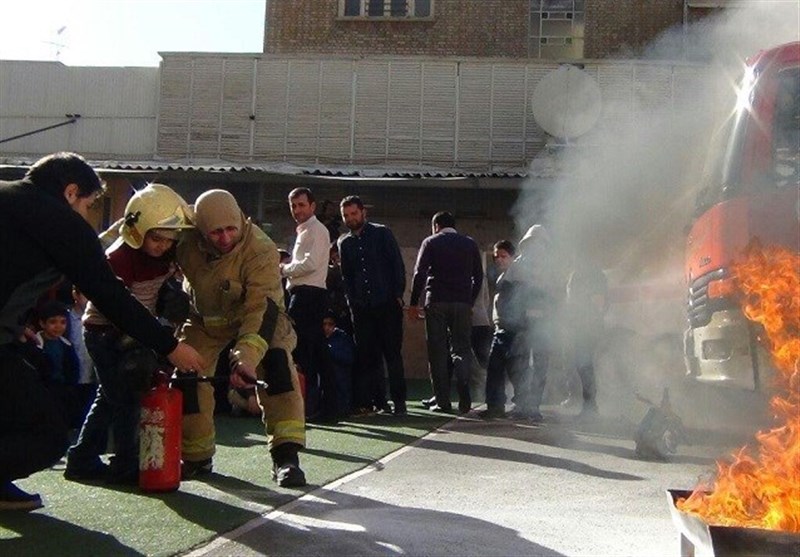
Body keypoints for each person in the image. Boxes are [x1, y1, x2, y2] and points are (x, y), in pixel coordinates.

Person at [0, 152, 203, 511]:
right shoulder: (61, 222)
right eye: (90, 205)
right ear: (71, 192)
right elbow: (110, 296)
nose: (87, 215)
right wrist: (170, 346)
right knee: (47, 433)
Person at [65, 183, 195, 484]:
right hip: (104, 332)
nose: (163, 245)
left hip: (136, 330)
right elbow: (117, 306)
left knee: (112, 396)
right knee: (124, 398)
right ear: (139, 230)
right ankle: (124, 461)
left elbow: (152, 295)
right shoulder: (118, 258)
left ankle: (82, 458)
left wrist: (170, 300)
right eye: (157, 238)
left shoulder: (166, 255)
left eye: (169, 239)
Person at [177, 189, 307, 487]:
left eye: (230, 230)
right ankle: (197, 456)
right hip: (205, 321)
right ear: (201, 230)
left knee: (276, 366)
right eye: (215, 232)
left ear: (240, 222)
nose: (224, 238)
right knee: (187, 376)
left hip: (261, 318)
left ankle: (286, 457)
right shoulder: (185, 241)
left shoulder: (261, 248)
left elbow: (261, 308)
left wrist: (245, 358)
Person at [338, 195, 408, 416]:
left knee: (393, 354)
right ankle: (379, 401)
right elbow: (346, 275)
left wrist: (397, 294)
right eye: (346, 215)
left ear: (363, 212)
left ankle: (399, 402)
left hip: (386, 303)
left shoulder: (382, 233)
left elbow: (396, 264)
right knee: (369, 356)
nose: (351, 218)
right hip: (362, 308)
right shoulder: (345, 243)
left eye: (354, 213)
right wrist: (352, 302)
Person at [409, 211, 483, 414]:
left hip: (437, 302)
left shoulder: (430, 242)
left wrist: (414, 303)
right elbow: (478, 276)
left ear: (436, 226)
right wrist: (470, 301)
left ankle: (442, 401)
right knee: (461, 349)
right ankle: (464, 391)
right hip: (461, 302)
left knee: (437, 352)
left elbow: (419, 274)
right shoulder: (469, 243)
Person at [486, 224, 555, 422]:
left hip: (536, 326)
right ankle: (527, 406)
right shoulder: (521, 266)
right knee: (525, 366)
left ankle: (530, 408)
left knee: (534, 367)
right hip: (527, 325)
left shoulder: (532, 267)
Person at [280, 187, 336, 422]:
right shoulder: (308, 230)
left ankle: (311, 406)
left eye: (301, 205)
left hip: (307, 296)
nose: (297, 210)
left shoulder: (316, 230)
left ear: (312, 206)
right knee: (317, 352)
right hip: (307, 294)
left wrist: (284, 269)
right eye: (293, 206)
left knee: (306, 352)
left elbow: (310, 263)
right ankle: (325, 407)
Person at [565, 261, 608, 418]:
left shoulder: (593, 275)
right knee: (582, 365)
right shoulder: (578, 274)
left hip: (588, 328)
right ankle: (589, 404)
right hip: (580, 327)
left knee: (585, 366)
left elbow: (600, 302)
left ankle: (590, 406)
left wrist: (590, 321)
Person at [33, 300, 82, 429]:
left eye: (63, 322)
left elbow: (72, 371)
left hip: (62, 392)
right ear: (42, 323)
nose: (58, 326)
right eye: (53, 322)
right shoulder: (35, 346)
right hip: (42, 392)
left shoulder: (67, 346)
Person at [322, 312, 355, 418]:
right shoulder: (318, 338)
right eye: (324, 324)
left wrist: (329, 351)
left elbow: (348, 358)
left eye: (330, 324)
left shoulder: (342, 338)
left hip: (339, 374)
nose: (327, 327)